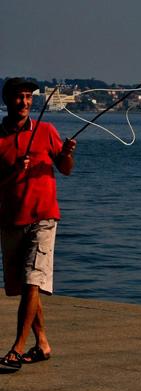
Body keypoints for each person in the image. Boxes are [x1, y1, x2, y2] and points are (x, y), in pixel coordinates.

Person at [0, 77, 76, 370]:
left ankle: (16, 349)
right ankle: (42, 343)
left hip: (44, 217)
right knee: (23, 285)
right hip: (10, 220)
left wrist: (67, 154)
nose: (25, 102)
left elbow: (65, 169)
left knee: (33, 280)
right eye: (19, 97)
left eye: (29, 98)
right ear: (7, 100)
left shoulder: (46, 131)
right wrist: (14, 172)